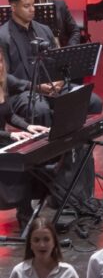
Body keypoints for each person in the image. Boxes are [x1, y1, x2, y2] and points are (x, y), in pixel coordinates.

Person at [0, 0, 103, 125]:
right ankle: (56, 145)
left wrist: (59, 81)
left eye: (33, 5)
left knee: (93, 101)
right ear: (13, 7)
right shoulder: (3, 36)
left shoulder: (44, 29)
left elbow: (58, 61)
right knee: (41, 110)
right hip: (21, 92)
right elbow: (4, 76)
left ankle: (79, 145)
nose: (32, 9)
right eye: (26, 6)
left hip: (53, 86)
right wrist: (35, 86)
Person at [0, 51, 48, 230]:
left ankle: (27, 212)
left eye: (0, 62)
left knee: (32, 157)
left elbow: (10, 115)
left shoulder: (2, 84)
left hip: (2, 140)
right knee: (18, 163)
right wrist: (11, 135)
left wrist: (28, 127)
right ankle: (26, 215)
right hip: (2, 141)